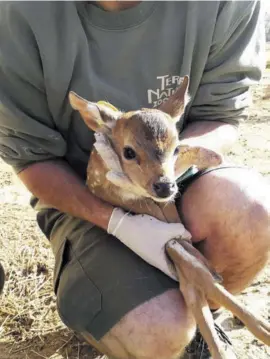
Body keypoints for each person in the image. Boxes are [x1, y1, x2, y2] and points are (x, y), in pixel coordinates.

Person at [0, 1, 269, 358]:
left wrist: (172, 163)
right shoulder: (18, 14)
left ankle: (204, 326)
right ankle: (124, 306)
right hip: (85, 201)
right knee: (157, 329)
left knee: (251, 210)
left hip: (181, 184)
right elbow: (31, 158)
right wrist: (119, 221)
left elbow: (220, 113)